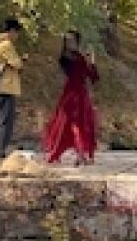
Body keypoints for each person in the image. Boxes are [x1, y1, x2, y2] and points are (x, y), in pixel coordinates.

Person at [42, 31, 100, 166]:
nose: (70, 43)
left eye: (72, 40)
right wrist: (84, 60)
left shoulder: (79, 56)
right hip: (71, 94)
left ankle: (81, 154)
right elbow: (73, 72)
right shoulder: (65, 57)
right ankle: (69, 154)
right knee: (68, 124)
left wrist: (91, 61)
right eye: (67, 41)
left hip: (82, 94)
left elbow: (93, 77)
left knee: (84, 124)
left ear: (77, 41)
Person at [0, 18, 25, 161]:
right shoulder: (6, 45)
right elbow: (17, 64)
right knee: (4, 121)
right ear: (11, 31)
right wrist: (22, 60)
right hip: (6, 87)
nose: (17, 36)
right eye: (16, 32)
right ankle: (0, 153)